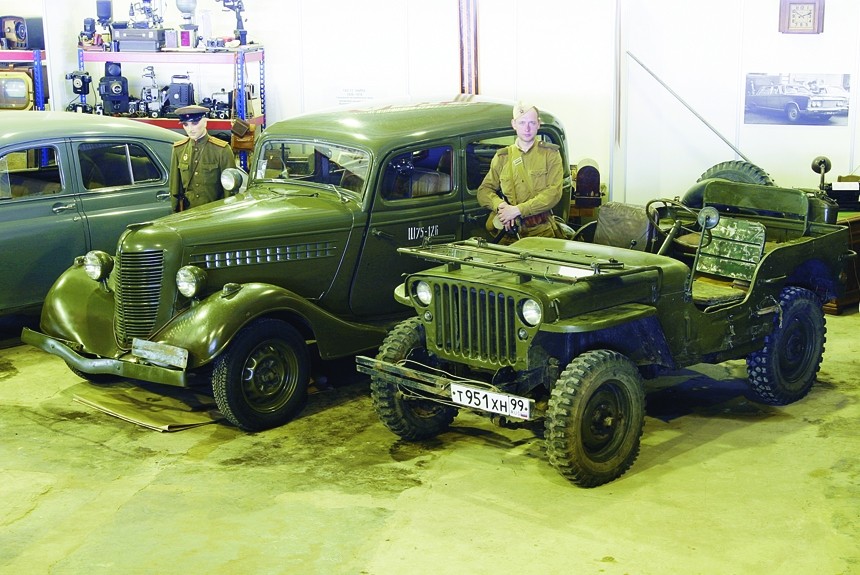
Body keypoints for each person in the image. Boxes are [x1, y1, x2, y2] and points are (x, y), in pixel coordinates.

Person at [477, 101, 564, 243]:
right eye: (522, 123)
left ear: (538, 124)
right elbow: (484, 191)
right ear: (514, 124)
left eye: (531, 122)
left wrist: (517, 210)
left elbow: (553, 193)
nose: (527, 128)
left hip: (541, 232)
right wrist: (500, 205)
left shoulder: (550, 154)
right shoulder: (502, 157)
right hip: (509, 235)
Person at [169, 104, 236, 212]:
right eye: (185, 124)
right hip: (188, 214)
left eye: (195, 123)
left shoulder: (222, 150)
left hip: (214, 214)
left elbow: (230, 191)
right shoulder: (179, 150)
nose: (190, 129)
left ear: (205, 122)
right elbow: (175, 189)